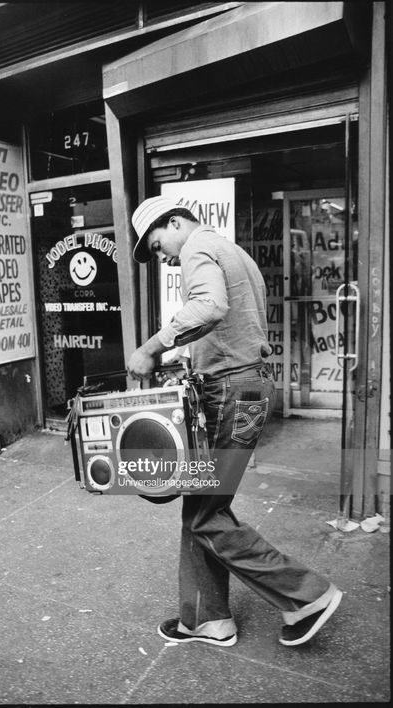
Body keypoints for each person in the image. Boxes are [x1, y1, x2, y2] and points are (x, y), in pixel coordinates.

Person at [127, 196, 342, 649]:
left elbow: (209, 306)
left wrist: (151, 349)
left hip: (230, 391)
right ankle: (205, 619)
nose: (162, 256)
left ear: (175, 222)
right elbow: (233, 324)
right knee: (202, 504)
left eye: (157, 242)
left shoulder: (196, 250)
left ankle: (306, 595)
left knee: (207, 512)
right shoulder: (233, 251)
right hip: (246, 385)